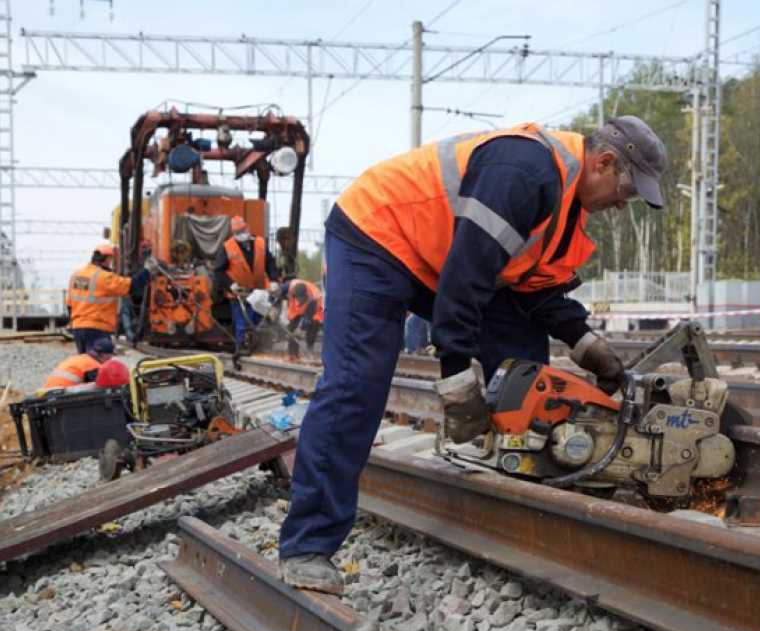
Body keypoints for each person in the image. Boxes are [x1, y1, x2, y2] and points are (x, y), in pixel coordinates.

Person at [277, 116, 668, 595]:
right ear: (604, 162)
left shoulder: (568, 206)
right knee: (356, 385)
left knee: (528, 374)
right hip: (376, 236)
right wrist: (457, 379)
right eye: (626, 192)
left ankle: (527, 503)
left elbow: (535, 291)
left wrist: (590, 348)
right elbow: (466, 278)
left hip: (439, 257)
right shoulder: (526, 172)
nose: (622, 204)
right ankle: (307, 546)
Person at [67, 244, 155, 354]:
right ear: (108, 259)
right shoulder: (105, 277)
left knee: (85, 361)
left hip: (78, 329)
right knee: (98, 361)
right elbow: (132, 286)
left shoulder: (76, 276)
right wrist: (147, 270)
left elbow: (69, 305)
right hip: (97, 328)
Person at [213, 216, 281, 345]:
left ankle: (257, 347)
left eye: (243, 230)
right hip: (239, 294)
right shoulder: (227, 247)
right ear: (233, 232)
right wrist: (230, 285)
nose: (241, 234)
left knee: (258, 323)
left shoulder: (260, 243)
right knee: (243, 324)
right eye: (238, 232)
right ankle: (243, 349)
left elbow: (270, 262)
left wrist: (273, 279)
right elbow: (218, 271)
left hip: (258, 293)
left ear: (247, 228)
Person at [43, 337, 115, 389]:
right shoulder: (93, 366)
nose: (109, 360)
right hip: (62, 395)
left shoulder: (80, 358)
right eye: (109, 357)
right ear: (103, 355)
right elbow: (98, 387)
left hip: (48, 391)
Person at [280, 279, 324, 356]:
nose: (300, 300)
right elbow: (275, 292)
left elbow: (308, 317)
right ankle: (292, 354)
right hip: (297, 311)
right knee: (292, 330)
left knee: (313, 325)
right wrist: (274, 307)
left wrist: (301, 328)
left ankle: (309, 347)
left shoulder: (314, 298)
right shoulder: (288, 286)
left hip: (315, 312)